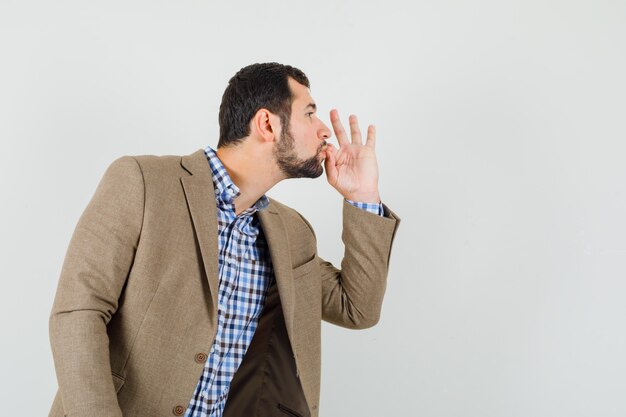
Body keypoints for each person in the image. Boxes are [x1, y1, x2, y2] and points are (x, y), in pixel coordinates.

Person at [48, 62, 400, 417]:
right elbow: (78, 312)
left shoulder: (292, 232)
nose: (324, 131)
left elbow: (358, 309)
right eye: (310, 113)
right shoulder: (142, 182)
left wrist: (364, 196)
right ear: (266, 124)